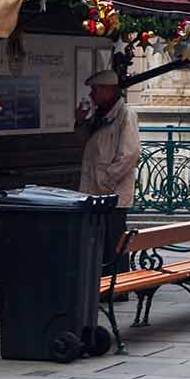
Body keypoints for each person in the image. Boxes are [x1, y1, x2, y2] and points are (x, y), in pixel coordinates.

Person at [78, 69, 141, 273]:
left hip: (113, 194)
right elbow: (86, 145)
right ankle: (106, 284)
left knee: (113, 241)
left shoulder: (125, 114)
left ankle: (117, 287)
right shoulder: (101, 115)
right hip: (95, 191)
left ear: (108, 90)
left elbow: (130, 153)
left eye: (95, 90)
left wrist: (108, 179)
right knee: (101, 241)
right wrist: (80, 121)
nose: (91, 95)